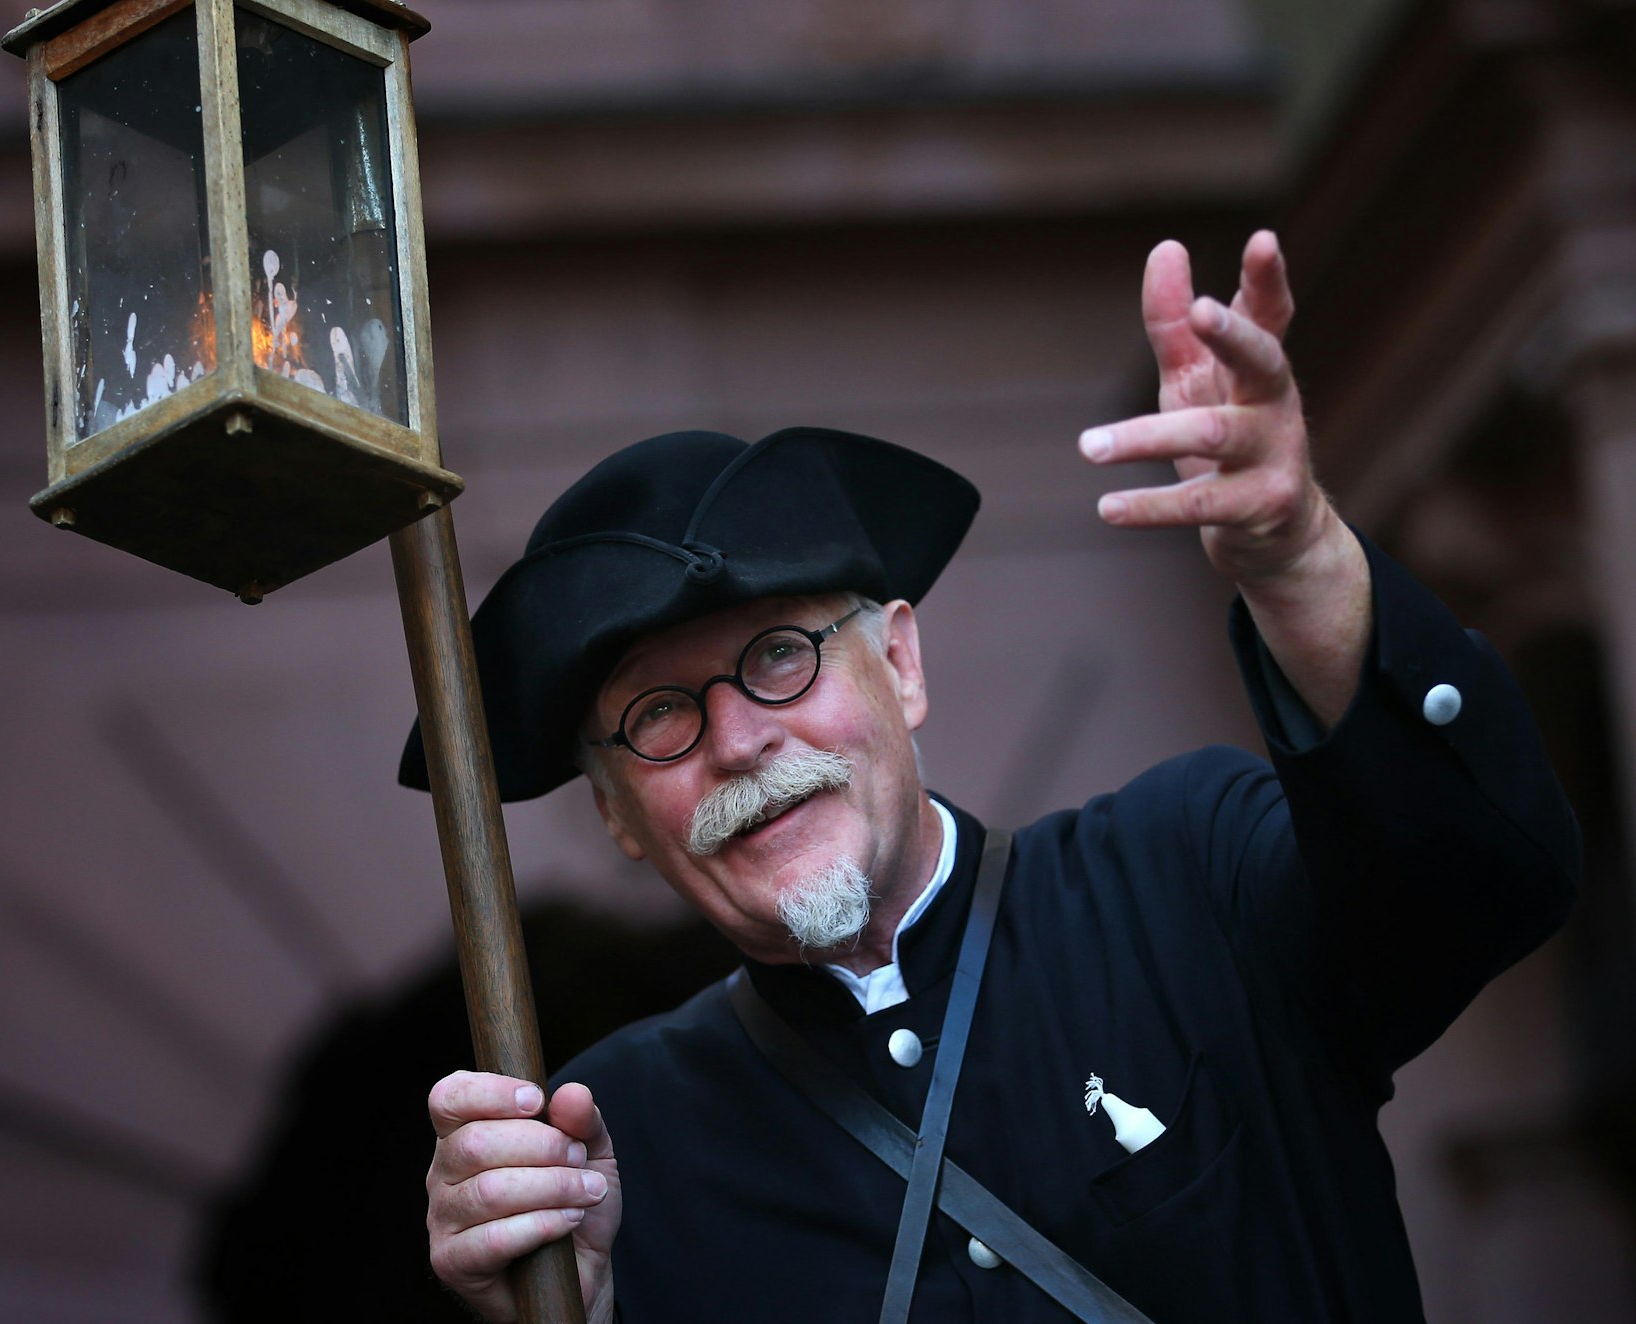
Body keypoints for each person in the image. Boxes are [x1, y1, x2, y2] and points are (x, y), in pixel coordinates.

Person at [412, 233, 1579, 1322]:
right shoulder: (610, 1148)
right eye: (660, 714)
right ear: (616, 813)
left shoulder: (1186, 871)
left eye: (778, 656)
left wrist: (1302, 557)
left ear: (903, 664)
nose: (738, 742)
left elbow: (1484, 879)